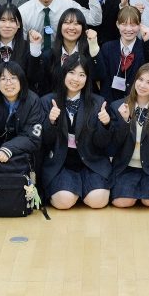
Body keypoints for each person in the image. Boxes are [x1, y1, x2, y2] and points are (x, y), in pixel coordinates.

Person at [39, 54, 114, 210]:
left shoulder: (97, 102)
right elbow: (45, 141)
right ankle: (73, 191)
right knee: (63, 202)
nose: (76, 79)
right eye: (71, 72)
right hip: (61, 164)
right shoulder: (47, 101)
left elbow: (102, 143)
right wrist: (51, 122)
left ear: (87, 78)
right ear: (63, 74)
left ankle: (80, 190)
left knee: (98, 201)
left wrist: (106, 124)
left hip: (91, 162)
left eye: (82, 75)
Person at [108, 63, 149, 208]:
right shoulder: (118, 106)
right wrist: (124, 121)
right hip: (125, 167)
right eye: (140, 79)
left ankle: (142, 192)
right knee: (122, 202)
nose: (143, 85)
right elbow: (113, 145)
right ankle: (134, 192)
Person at [0, 61, 43, 165]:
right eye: (3, 79)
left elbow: (33, 138)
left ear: (21, 80)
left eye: (13, 78)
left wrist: (8, 148)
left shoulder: (33, 100)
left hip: (22, 154)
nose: (8, 83)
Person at [95, 6, 149, 102]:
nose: (128, 29)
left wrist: (147, 41)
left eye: (133, 25)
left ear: (140, 25)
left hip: (136, 102)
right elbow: (103, 78)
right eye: (124, 24)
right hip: (110, 103)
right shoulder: (107, 48)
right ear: (117, 24)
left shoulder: (145, 48)